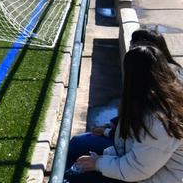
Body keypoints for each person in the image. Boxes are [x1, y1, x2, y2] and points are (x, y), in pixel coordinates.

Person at [65, 28, 183, 173]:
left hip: (146, 175)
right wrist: (110, 130)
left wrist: (98, 163)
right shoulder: (151, 100)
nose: (131, 48)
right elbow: (135, 144)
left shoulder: (158, 119)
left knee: (75, 166)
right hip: (138, 163)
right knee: (77, 146)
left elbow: (137, 168)